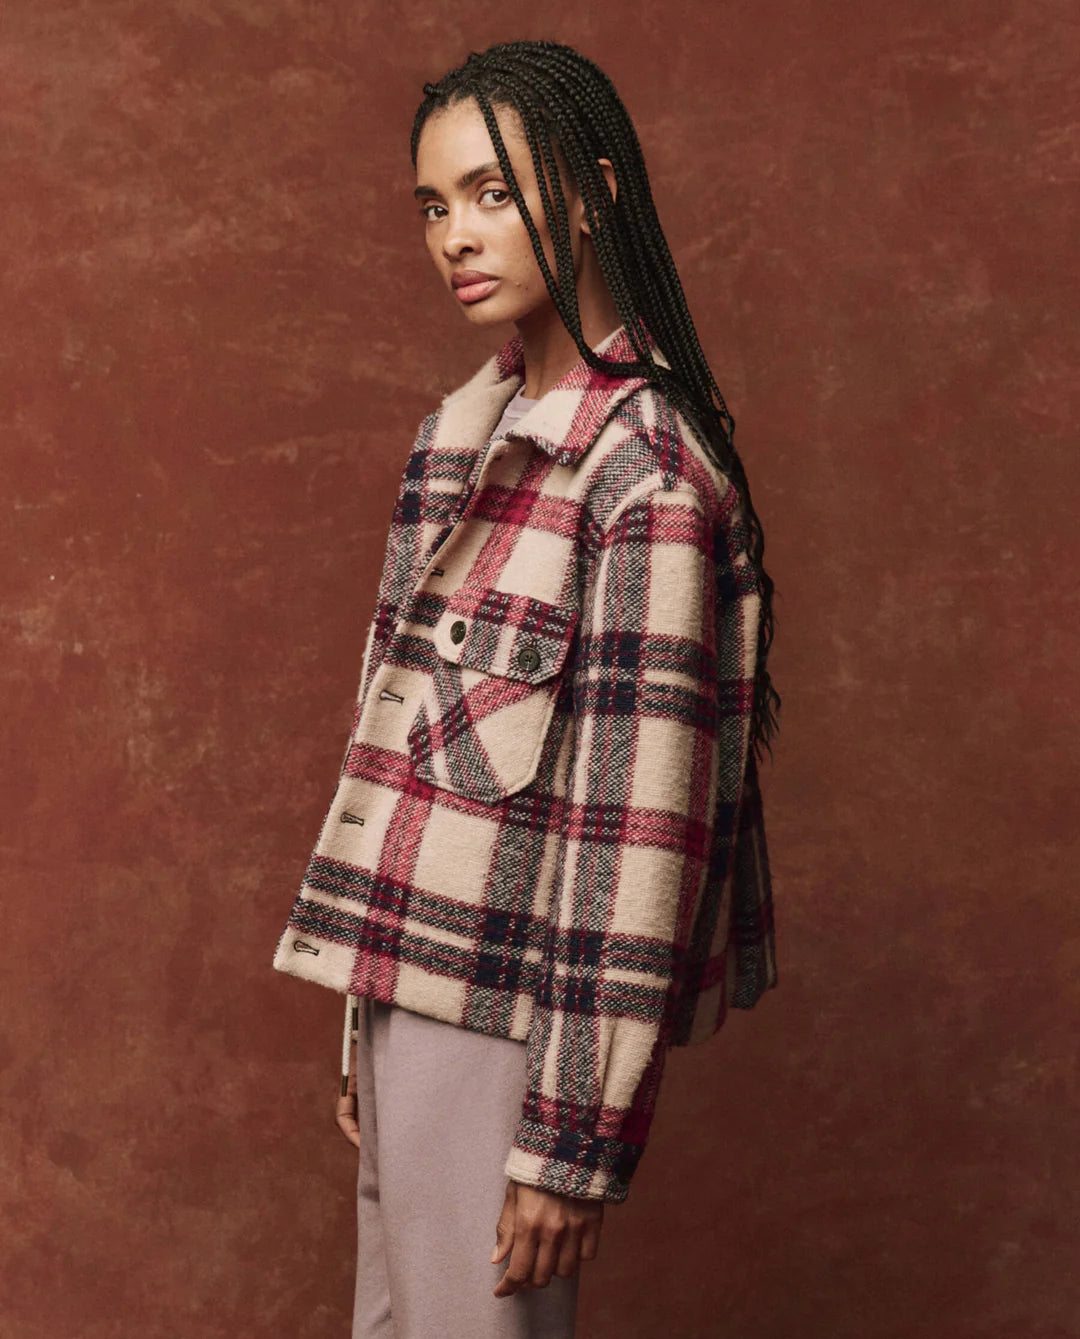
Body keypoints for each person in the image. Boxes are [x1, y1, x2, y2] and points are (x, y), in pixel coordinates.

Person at [271, 38, 780, 1339]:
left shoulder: (645, 478)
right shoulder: (458, 443)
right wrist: (360, 1029)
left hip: (509, 1023)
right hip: (405, 994)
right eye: (435, 205)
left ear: (593, 190)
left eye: (493, 192)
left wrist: (570, 1140)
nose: (456, 234)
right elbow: (398, 762)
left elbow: (636, 846)